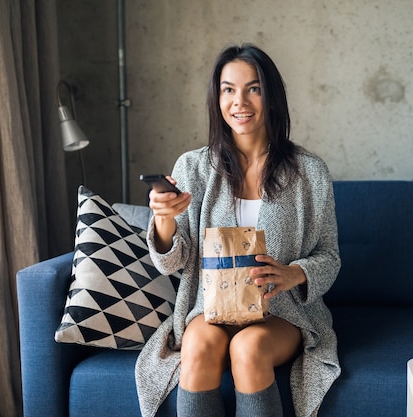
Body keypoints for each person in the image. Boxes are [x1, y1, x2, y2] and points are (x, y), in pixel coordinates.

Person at [135, 43, 341, 417]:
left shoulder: (310, 172)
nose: (239, 101)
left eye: (254, 88)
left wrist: (294, 273)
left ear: (271, 96)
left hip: (280, 313)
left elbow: (330, 257)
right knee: (196, 347)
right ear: (217, 98)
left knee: (248, 348)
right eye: (228, 89)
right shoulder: (193, 167)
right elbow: (172, 262)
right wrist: (164, 218)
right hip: (208, 309)